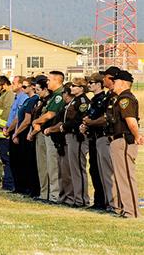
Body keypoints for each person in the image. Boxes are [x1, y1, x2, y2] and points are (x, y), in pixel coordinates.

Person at [107, 70, 142, 218]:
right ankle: (126, 210)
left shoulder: (125, 98)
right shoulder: (119, 98)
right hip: (118, 140)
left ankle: (132, 212)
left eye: (115, 81)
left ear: (122, 82)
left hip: (124, 140)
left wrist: (136, 136)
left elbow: (130, 120)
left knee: (127, 176)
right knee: (121, 177)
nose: (112, 84)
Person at [31, 71, 65, 203]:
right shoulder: (52, 96)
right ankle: (45, 194)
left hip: (53, 134)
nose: (47, 82)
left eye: (49, 80)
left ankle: (54, 196)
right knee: (44, 166)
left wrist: (36, 121)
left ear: (57, 80)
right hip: (45, 133)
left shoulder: (59, 96)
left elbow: (50, 114)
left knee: (53, 167)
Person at [60, 78, 90, 207]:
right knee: (73, 168)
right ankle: (75, 197)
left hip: (77, 137)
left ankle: (81, 199)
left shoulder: (82, 101)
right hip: (70, 136)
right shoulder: (74, 100)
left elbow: (80, 119)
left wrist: (66, 126)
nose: (71, 88)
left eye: (75, 86)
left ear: (82, 88)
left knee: (78, 168)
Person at [79, 73, 107, 210]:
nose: (89, 85)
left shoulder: (103, 99)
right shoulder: (94, 99)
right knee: (94, 170)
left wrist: (90, 123)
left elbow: (102, 118)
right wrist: (85, 125)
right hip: (92, 137)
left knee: (100, 170)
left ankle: (102, 201)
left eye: (91, 82)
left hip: (99, 137)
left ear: (99, 84)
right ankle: (98, 201)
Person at [11, 77, 40, 195]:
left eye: (25, 87)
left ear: (32, 87)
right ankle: (22, 187)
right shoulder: (27, 100)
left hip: (26, 135)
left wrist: (16, 133)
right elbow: (19, 118)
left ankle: (30, 188)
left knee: (28, 163)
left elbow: (27, 120)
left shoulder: (34, 99)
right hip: (21, 133)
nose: (23, 89)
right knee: (20, 162)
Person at [0, 76, 15, 190]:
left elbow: (6, 113)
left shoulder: (8, 95)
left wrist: (1, 126)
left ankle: (8, 183)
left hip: (3, 132)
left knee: (6, 159)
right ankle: (3, 181)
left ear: (4, 85)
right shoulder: (0, 96)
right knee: (0, 159)